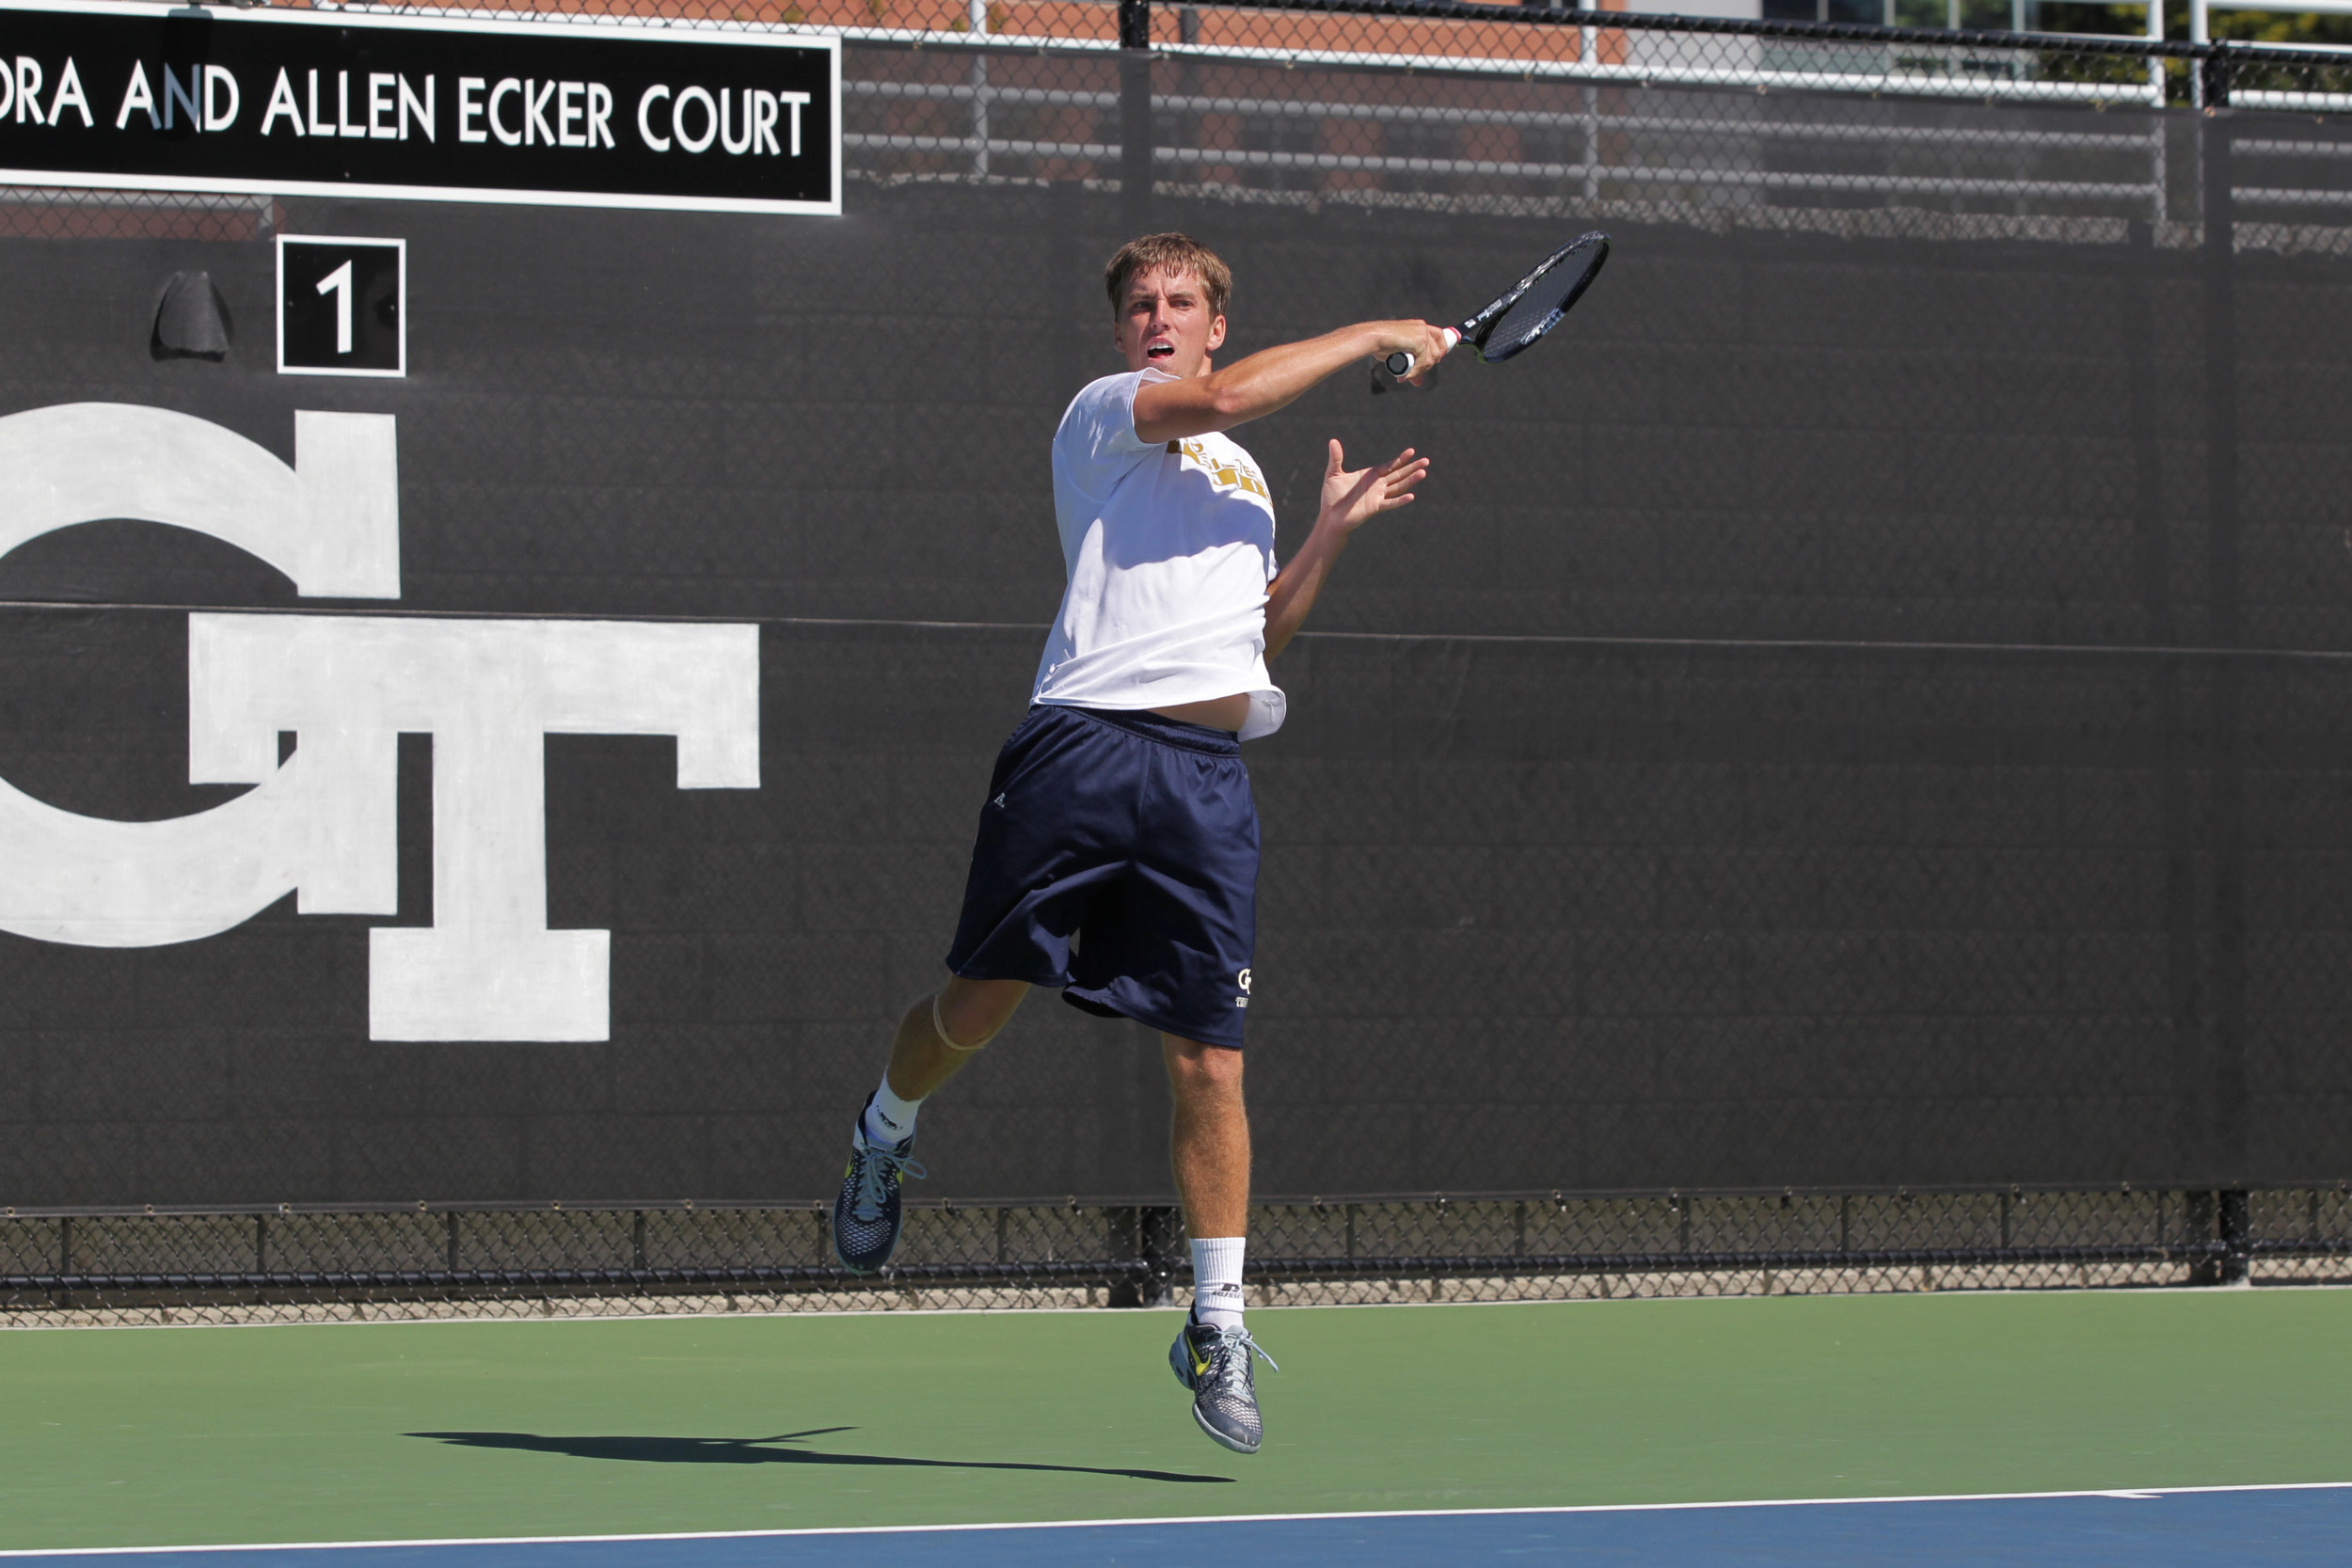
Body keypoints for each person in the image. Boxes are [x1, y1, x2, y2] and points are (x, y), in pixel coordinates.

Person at [831, 232, 1445, 1455]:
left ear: (1219, 319)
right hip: (1082, 752)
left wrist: (1328, 531)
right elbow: (1221, 399)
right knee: (978, 1007)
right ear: (1126, 337)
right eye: (1141, 306)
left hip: (1205, 779)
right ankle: (883, 1135)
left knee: (1211, 1061)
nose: (1159, 318)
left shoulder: (1249, 485)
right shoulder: (1111, 415)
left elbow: (1250, 645)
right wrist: (1382, 331)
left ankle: (1214, 1320)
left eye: (1182, 303)